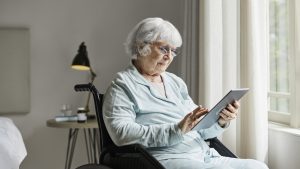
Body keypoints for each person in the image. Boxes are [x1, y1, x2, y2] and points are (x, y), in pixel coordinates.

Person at [102, 17, 268, 169]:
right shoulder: (122, 86)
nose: (169, 56)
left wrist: (221, 121)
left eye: (173, 51)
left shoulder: (175, 83)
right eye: (163, 48)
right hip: (164, 159)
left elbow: (200, 129)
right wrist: (176, 130)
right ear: (141, 46)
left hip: (203, 155)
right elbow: (121, 134)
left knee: (258, 167)